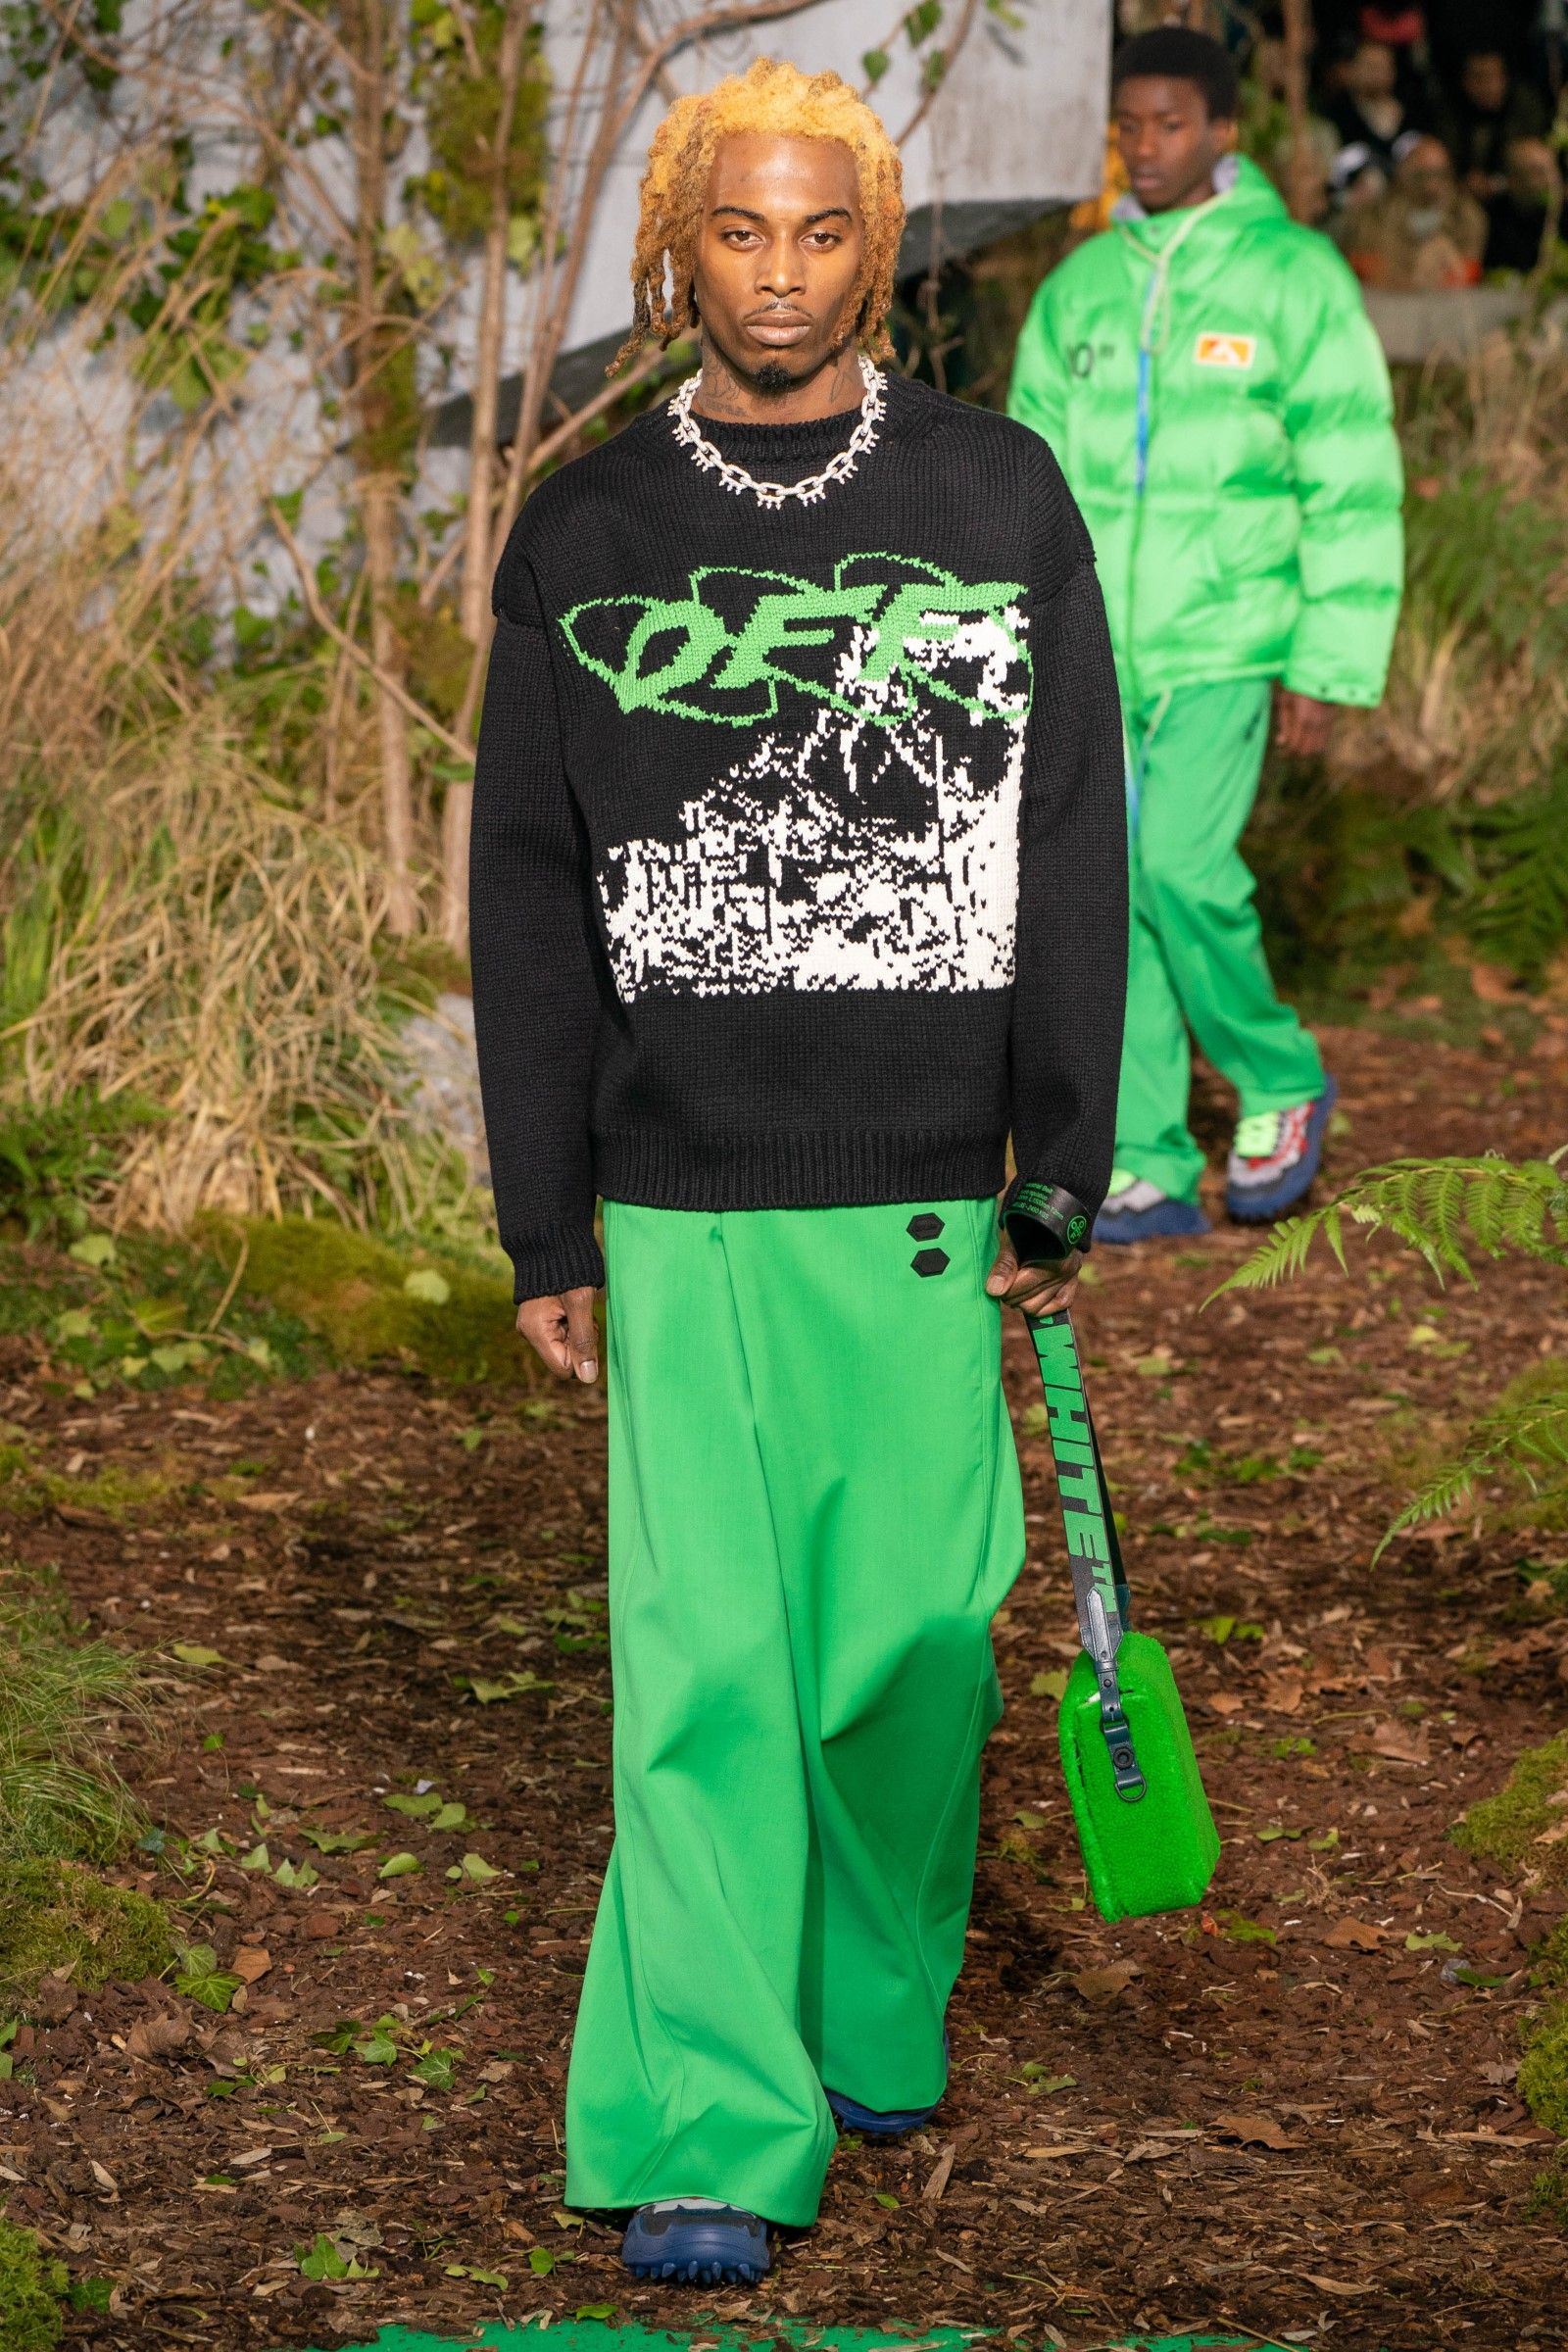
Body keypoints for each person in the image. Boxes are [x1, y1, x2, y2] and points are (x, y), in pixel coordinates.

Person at [468, 57, 1127, 2286]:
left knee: (914, 1643)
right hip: (680, 1199)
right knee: (706, 1669)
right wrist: (543, 1213)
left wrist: (1063, 1154)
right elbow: (526, 891)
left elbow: (1068, 835)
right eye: (737, 233)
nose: (778, 273)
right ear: (679, 253)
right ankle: (704, 2115)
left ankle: (869, 1984)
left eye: (820, 232)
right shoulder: (588, 529)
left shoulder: (994, 495)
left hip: (924, 1187)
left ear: (877, 249)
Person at [1008, 25, 1403, 1242]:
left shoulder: (1293, 276)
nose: (1146, 146)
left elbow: (1350, 478)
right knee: (1108, 890)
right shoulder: (1078, 285)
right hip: (1095, 651)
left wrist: (1325, 664)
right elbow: (1026, 482)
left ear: (1223, 130)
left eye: (1171, 123)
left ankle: (1277, 1076)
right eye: (1128, 125)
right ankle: (1147, 1155)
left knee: (1181, 866)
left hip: (1229, 640)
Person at [1341, 131, 1487, 283]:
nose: (1431, 185)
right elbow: (1360, 262)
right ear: (1403, 173)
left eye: (1439, 174)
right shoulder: (1377, 214)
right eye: (1422, 175)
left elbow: (1472, 267)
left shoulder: (1465, 214)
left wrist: (1448, 266)